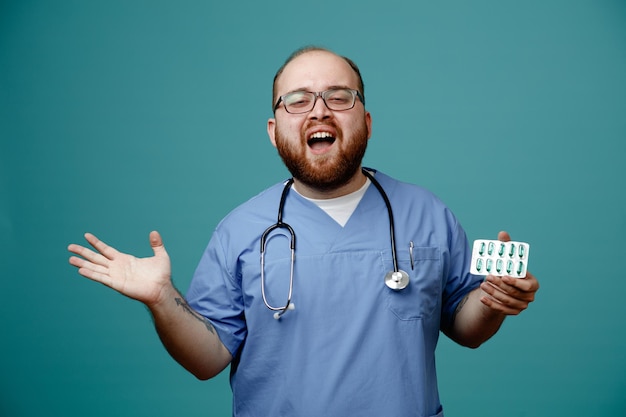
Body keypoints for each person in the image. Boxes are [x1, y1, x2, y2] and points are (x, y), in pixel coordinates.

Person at [68, 46, 539, 417]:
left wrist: (494, 300)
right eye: (298, 100)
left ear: (367, 122)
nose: (319, 111)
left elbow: (466, 327)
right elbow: (206, 359)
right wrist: (161, 299)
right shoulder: (240, 231)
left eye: (340, 96)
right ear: (274, 131)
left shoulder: (427, 213)